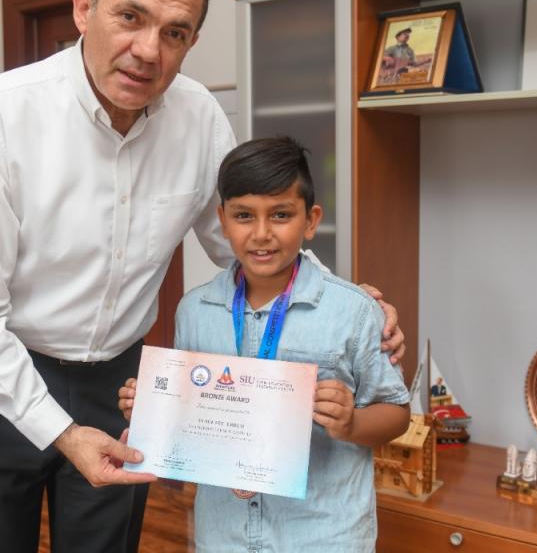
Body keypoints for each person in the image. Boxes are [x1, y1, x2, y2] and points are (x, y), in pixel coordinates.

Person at [0, 0, 406, 553]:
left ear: (191, 43)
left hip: (119, 383)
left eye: (175, 33)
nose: (148, 51)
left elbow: (245, 242)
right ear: (84, 9)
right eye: (130, 17)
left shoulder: (199, 116)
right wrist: (62, 432)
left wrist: (345, 300)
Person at [118, 136, 411, 551]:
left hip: (322, 535)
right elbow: (185, 422)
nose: (261, 234)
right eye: (243, 215)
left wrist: (351, 424)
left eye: (280, 215)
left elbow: (397, 413)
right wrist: (151, 411)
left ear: (310, 220)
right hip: (224, 536)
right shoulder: (194, 311)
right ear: (222, 220)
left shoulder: (355, 311)